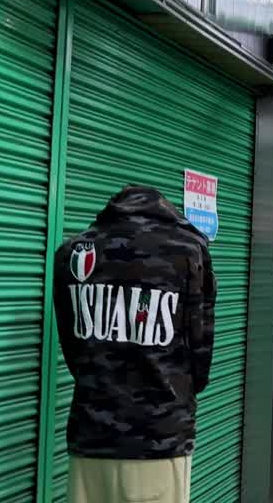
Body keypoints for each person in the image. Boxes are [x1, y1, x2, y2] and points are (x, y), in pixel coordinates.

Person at [53, 186, 216, 503]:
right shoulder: (189, 251)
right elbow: (201, 358)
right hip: (160, 440)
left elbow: (73, 350)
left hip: (91, 438)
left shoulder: (71, 252)